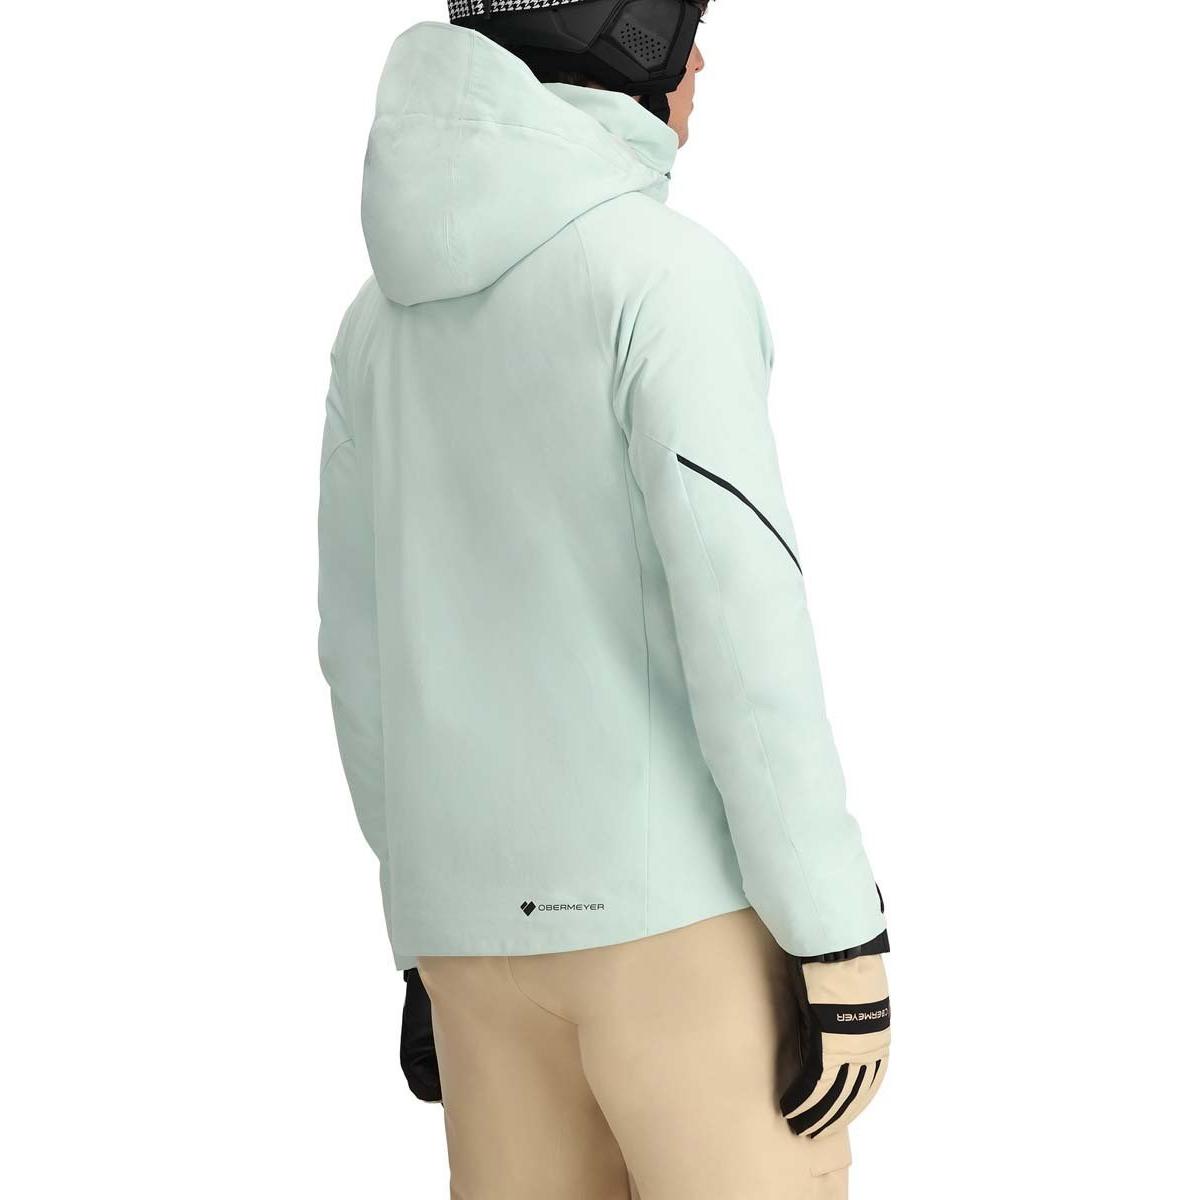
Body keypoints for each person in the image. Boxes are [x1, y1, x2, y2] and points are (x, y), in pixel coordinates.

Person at [318, 3, 891, 1197]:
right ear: (624, 41)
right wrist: (837, 933)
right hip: (676, 943)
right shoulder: (664, 277)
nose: (702, 60)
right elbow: (742, 618)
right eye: (686, 26)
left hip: (472, 950)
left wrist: (420, 941)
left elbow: (360, 658)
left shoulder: (376, 325)